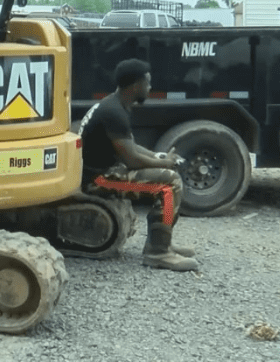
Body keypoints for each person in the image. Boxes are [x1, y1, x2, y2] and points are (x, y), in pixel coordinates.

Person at [79, 58, 198, 271]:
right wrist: (166, 165)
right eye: (148, 83)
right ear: (136, 85)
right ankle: (158, 252)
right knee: (169, 184)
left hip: (106, 172)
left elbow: (130, 146)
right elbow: (132, 160)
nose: (150, 88)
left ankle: (163, 241)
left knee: (167, 176)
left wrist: (159, 158)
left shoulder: (115, 105)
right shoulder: (114, 112)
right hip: (98, 180)